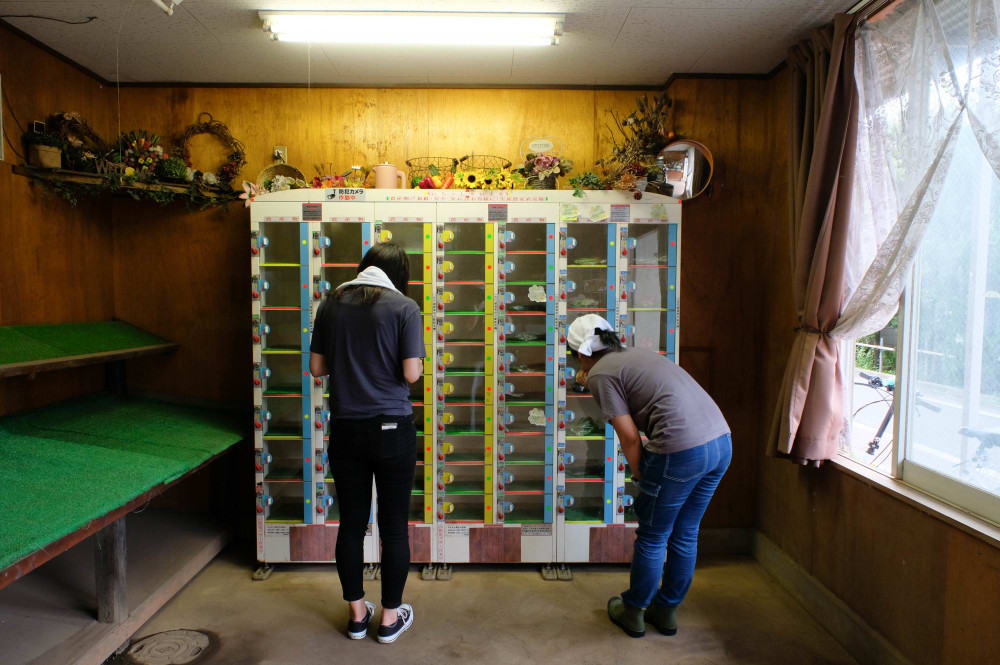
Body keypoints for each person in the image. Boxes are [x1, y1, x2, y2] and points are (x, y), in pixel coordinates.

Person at [566, 314, 731, 639]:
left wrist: (643, 476)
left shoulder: (600, 374)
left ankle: (634, 610)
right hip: (721, 443)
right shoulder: (633, 355)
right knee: (685, 532)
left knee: (653, 536)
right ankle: (666, 610)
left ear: (580, 355)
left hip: (680, 450)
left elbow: (629, 437)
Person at [309, 242, 424, 644]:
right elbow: (411, 374)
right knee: (394, 528)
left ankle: (357, 616)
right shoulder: (405, 307)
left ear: (364, 267)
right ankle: (390, 620)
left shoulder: (331, 304)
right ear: (400, 275)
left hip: (346, 429)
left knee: (352, 525)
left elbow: (316, 367)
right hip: (393, 429)